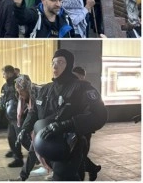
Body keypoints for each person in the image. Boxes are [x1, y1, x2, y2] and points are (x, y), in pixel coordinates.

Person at [18, 49, 108, 180]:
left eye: (60, 62)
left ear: (69, 65)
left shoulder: (82, 88)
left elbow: (99, 115)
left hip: (69, 145)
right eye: (53, 62)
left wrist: (66, 125)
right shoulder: (45, 89)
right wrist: (24, 128)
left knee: (64, 177)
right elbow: (34, 112)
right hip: (46, 144)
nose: (55, 65)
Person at [70, 66, 102, 181]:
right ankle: (92, 168)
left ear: (83, 77)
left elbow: (96, 111)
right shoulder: (71, 89)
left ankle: (89, 171)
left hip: (84, 129)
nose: (74, 79)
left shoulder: (90, 91)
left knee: (79, 157)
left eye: (76, 77)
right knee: (76, 156)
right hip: (71, 128)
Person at [11, 0, 76, 38]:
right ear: (43, 0)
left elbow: (73, 39)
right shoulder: (35, 15)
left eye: (60, 0)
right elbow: (22, 17)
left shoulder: (66, 18)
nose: (58, 4)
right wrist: (18, 4)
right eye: (53, 0)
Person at [0, 65, 24, 168]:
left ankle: (37, 156)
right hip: (11, 117)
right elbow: (3, 101)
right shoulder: (4, 86)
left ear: (10, 73)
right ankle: (18, 158)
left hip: (20, 117)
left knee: (24, 139)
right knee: (11, 137)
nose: (3, 76)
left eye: (4, 73)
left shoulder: (19, 84)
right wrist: (0, 114)